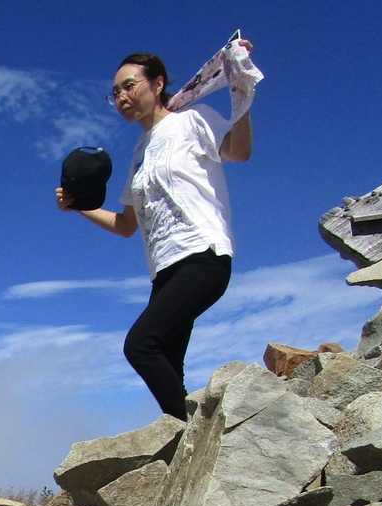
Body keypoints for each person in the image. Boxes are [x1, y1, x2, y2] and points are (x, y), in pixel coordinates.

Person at [56, 46, 254, 419]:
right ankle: (185, 436)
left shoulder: (192, 121)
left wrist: (241, 91)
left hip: (203, 255)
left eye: (129, 86)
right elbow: (126, 225)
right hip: (163, 271)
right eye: (115, 92)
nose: (121, 97)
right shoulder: (139, 155)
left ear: (157, 84)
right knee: (166, 363)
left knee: (141, 346)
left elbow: (239, 152)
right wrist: (79, 207)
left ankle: (197, 435)